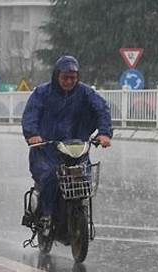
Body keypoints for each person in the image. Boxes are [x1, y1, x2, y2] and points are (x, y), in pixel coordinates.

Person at [21, 55, 112, 235]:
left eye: (73, 77)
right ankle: (46, 215)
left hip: (76, 150)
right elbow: (31, 115)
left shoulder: (85, 93)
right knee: (49, 177)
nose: (69, 81)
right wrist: (33, 135)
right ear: (57, 76)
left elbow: (101, 109)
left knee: (83, 179)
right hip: (46, 151)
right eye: (65, 77)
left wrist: (104, 133)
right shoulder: (42, 93)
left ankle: (78, 215)